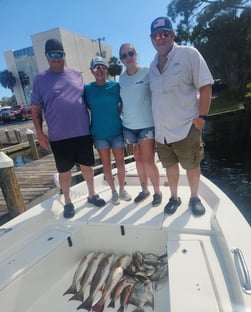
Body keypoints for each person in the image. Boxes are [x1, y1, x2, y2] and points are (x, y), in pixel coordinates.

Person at [31, 39, 105, 219]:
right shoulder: (40, 79)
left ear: (64, 55)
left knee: (88, 166)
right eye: (52, 55)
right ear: (47, 57)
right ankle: (68, 202)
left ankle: (92, 194)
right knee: (65, 172)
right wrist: (40, 133)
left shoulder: (76, 75)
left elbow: (87, 101)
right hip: (59, 137)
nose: (57, 58)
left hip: (82, 132)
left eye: (60, 54)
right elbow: (35, 110)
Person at [149, 17, 214, 216]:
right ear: (151, 39)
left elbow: (205, 85)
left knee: (192, 166)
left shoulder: (189, 54)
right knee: (170, 167)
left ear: (172, 35)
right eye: (156, 35)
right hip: (162, 133)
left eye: (164, 34)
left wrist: (202, 116)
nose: (160, 39)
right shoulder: (151, 66)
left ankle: (194, 198)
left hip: (186, 128)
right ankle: (174, 197)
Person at [119, 43, 162, 206]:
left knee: (148, 160)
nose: (128, 57)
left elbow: (159, 91)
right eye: (124, 55)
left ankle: (157, 192)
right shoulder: (121, 78)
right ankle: (144, 190)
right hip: (129, 126)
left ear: (136, 54)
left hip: (146, 126)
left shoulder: (147, 72)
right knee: (138, 161)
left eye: (130, 53)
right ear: (121, 60)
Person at [84, 56, 131, 205]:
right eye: (96, 67)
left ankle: (122, 188)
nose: (99, 70)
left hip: (116, 131)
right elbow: (86, 108)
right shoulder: (87, 89)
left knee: (120, 163)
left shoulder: (115, 86)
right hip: (99, 135)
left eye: (102, 67)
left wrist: (116, 115)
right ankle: (113, 191)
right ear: (92, 70)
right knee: (106, 165)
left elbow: (122, 103)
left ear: (106, 69)